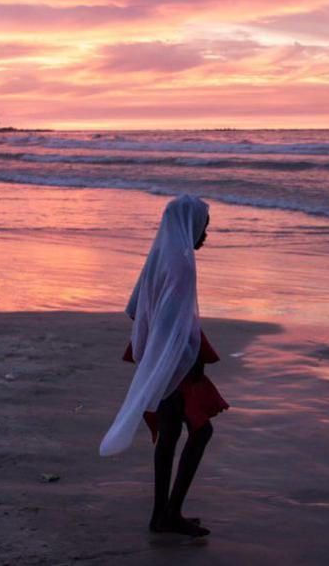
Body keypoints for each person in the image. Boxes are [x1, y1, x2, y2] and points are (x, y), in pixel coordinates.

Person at [99, 195, 228, 538]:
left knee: (170, 434)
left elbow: (133, 307)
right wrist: (188, 358)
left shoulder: (158, 258)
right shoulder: (183, 265)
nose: (205, 235)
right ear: (188, 225)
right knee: (201, 432)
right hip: (175, 360)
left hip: (156, 355)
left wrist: (150, 338)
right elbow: (177, 321)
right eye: (203, 227)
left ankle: (163, 515)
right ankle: (169, 514)